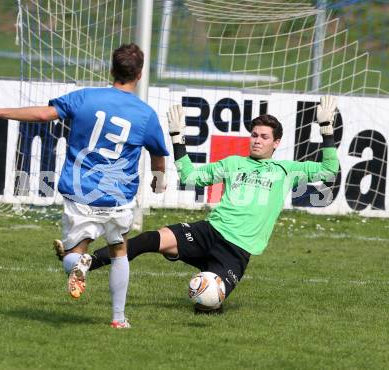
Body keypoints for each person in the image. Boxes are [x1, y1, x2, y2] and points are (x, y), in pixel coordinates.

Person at [82, 96, 339, 312]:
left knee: (207, 304)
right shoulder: (233, 163)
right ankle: (87, 263)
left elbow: (329, 171)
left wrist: (326, 130)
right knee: (150, 238)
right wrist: (177, 138)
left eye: (263, 137)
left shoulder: (287, 170)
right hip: (209, 232)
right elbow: (190, 177)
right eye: (254, 135)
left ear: (276, 143)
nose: (257, 140)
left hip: (236, 251)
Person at [0, 43, 169, 328]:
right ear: (139, 74)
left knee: (72, 255)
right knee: (119, 252)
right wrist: (158, 178)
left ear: (111, 69)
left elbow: (43, 115)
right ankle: (118, 319)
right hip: (119, 198)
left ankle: (79, 264)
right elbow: (157, 155)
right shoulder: (145, 114)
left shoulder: (86, 98)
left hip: (81, 193)